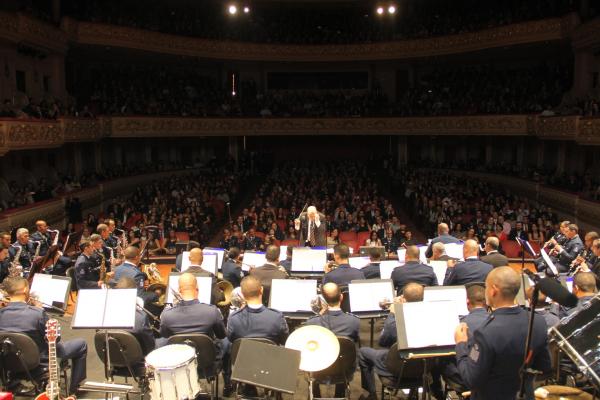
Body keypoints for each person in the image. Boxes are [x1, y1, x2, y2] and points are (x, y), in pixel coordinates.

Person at [454, 267, 551, 399]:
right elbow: (544, 366)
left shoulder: (485, 333)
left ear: (494, 290)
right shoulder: (538, 322)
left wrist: (460, 344)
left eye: (486, 287)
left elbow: (471, 380)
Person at [0, 277, 87, 396]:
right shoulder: (37, 313)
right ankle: (75, 390)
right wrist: (39, 310)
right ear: (26, 290)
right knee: (81, 344)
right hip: (40, 363)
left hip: (11, 364)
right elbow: (55, 339)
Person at [158, 272, 232, 393]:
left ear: (179, 290)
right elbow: (221, 335)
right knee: (227, 342)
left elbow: (165, 336)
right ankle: (228, 384)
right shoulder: (212, 311)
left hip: (178, 363)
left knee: (160, 342)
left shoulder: (167, 315)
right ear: (197, 289)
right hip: (207, 363)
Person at [358, 283, 424, 400]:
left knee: (363, 352)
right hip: (423, 368)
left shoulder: (394, 323)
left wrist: (393, 313)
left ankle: (372, 394)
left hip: (397, 367)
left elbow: (383, 341)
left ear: (403, 299)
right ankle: (414, 392)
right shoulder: (431, 315)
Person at [431, 283, 489, 397]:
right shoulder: (496, 321)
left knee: (437, 360)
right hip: (492, 379)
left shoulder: (459, 324)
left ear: (467, 302)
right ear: (486, 302)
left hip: (465, 378)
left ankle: (438, 394)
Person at [306, 282, 360, 398]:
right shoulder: (353, 321)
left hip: (318, 369)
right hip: (344, 369)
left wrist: (320, 314)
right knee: (343, 351)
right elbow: (354, 342)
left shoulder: (312, 322)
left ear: (323, 299)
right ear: (341, 297)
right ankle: (340, 394)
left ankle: (316, 394)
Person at [226, 276, 289, 345]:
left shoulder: (233, 318)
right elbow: (284, 341)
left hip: (244, 355)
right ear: (261, 290)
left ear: (242, 294)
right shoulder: (277, 316)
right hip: (270, 355)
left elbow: (231, 340)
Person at [115, 277, 156, 356]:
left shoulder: (104, 316)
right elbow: (151, 345)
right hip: (137, 356)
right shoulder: (140, 317)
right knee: (164, 341)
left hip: (115, 356)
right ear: (135, 292)